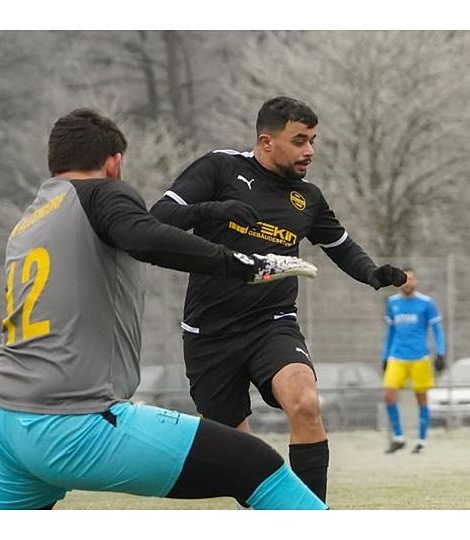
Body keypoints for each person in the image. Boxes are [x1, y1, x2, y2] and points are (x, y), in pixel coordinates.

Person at [0, 108, 326, 510]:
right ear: (114, 163)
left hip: (7, 420)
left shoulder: (32, 216)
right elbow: (143, 237)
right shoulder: (102, 192)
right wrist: (245, 265)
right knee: (255, 462)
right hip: (72, 421)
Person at [150, 96, 406, 502]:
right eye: (300, 140)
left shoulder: (308, 199)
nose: (310, 151)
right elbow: (157, 218)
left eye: (313, 140)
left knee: (304, 401)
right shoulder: (220, 167)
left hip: (272, 323)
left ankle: (310, 516)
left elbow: (341, 246)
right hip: (209, 334)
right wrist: (214, 211)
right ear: (266, 142)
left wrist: (373, 274)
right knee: (238, 458)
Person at [381, 267, 446, 454]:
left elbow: (437, 330)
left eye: (411, 279)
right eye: (404, 279)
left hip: (420, 358)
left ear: (415, 281)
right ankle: (399, 437)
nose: (407, 282)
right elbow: (390, 332)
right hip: (397, 357)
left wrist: (440, 353)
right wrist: (385, 357)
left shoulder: (426, 303)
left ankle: (421, 441)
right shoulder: (392, 303)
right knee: (388, 394)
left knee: (422, 399)